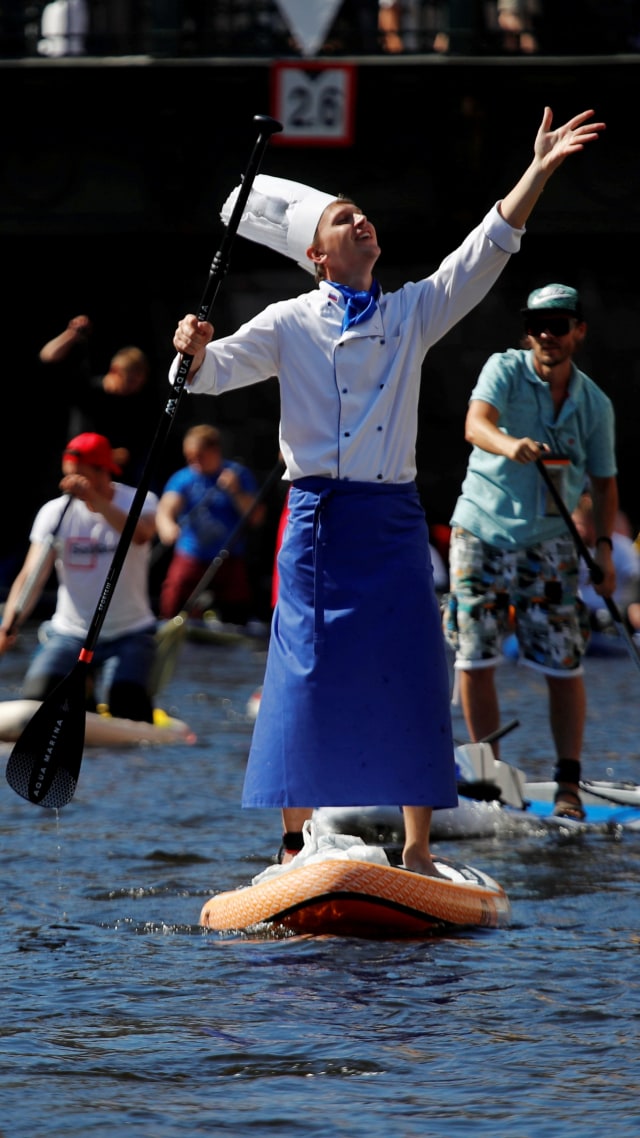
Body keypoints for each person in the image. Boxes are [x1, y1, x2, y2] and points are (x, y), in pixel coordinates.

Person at [170, 107, 604, 874]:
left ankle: (418, 850)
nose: (361, 220)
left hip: (392, 518)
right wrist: (190, 349)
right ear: (317, 253)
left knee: (412, 669)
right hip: (315, 517)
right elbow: (208, 375)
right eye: (344, 219)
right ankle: (292, 843)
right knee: (301, 669)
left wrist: (538, 169)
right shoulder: (288, 320)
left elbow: (485, 251)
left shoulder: (411, 313)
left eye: (362, 214)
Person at [444, 282, 618, 822]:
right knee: (476, 655)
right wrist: (508, 444)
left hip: (551, 542)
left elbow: (605, 483)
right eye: (538, 324)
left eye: (560, 324)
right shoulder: (503, 367)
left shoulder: (594, 404)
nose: (548, 334)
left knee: (564, 663)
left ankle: (569, 784)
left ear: (578, 333)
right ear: (528, 332)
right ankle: (486, 777)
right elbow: (476, 425)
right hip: (481, 531)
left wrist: (606, 550)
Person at [0, 432, 158, 723]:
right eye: (69, 477)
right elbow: (30, 576)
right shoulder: (54, 513)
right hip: (70, 633)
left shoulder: (141, 501)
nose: (72, 486)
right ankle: (81, 694)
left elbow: (141, 535)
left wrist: (95, 500)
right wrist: (8, 625)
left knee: (126, 704)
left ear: (103, 471)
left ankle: (99, 695)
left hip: (130, 633)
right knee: (37, 696)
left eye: (81, 478)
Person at [156, 424, 266, 623]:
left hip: (228, 557)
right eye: (189, 457)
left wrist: (236, 491)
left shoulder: (237, 475)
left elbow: (256, 517)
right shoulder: (184, 478)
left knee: (237, 611)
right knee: (172, 601)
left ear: (215, 451)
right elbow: (166, 508)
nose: (194, 462)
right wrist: (168, 526)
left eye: (199, 456)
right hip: (191, 555)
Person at [39, 319, 160, 488]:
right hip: (78, 471)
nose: (134, 387)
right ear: (115, 371)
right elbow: (48, 357)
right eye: (130, 380)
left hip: (113, 480)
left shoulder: (137, 404)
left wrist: (118, 454)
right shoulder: (86, 389)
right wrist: (71, 333)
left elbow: (133, 448)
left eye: (139, 382)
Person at [572, 492, 640, 636]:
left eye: (582, 525)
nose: (579, 530)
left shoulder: (621, 546)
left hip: (612, 614)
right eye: (575, 525)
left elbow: (634, 580)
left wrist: (628, 608)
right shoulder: (571, 547)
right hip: (578, 613)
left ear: (593, 523)